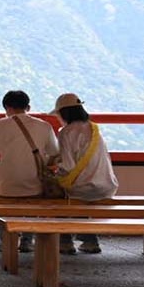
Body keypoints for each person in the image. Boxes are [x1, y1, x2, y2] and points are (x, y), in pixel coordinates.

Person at [0, 89, 59, 253]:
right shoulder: (44, 126)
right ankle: (27, 239)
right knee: (33, 200)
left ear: (6, 108)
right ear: (28, 107)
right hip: (35, 183)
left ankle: (3, 239)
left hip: (6, 185)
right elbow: (54, 151)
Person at [51, 92, 119, 255]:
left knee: (57, 194)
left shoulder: (66, 132)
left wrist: (54, 170)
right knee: (78, 195)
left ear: (63, 113)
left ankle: (65, 241)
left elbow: (68, 166)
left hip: (84, 189)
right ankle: (89, 240)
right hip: (107, 186)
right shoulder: (94, 128)